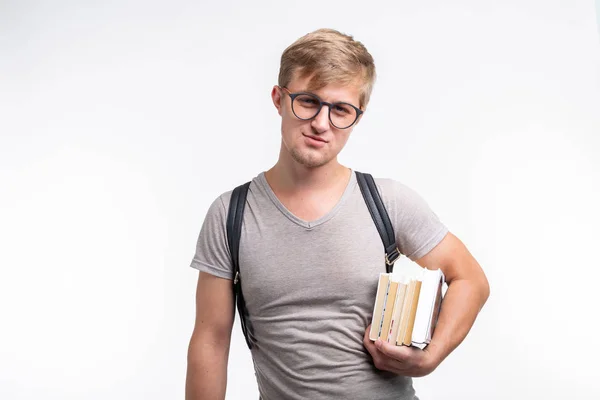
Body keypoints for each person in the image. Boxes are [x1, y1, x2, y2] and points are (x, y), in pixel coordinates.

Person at [185, 28, 490, 400]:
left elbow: (470, 279)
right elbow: (211, 341)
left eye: (340, 109)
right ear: (279, 99)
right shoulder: (230, 214)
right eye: (308, 101)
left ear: (357, 117)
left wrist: (430, 358)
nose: (321, 123)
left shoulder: (387, 201)